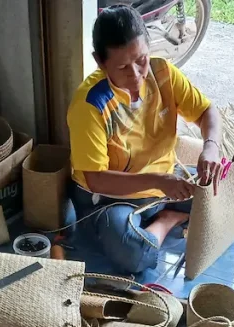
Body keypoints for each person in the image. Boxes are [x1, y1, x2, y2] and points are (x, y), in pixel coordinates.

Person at [67, 3, 223, 274]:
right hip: (111, 199)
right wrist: (159, 182)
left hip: (165, 183)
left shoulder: (163, 73)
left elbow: (207, 111)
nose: (137, 74)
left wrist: (211, 147)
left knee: (232, 196)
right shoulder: (90, 105)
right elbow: (96, 179)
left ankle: (163, 219)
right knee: (132, 255)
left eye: (141, 60)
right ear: (100, 62)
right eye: (123, 67)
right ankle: (168, 219)